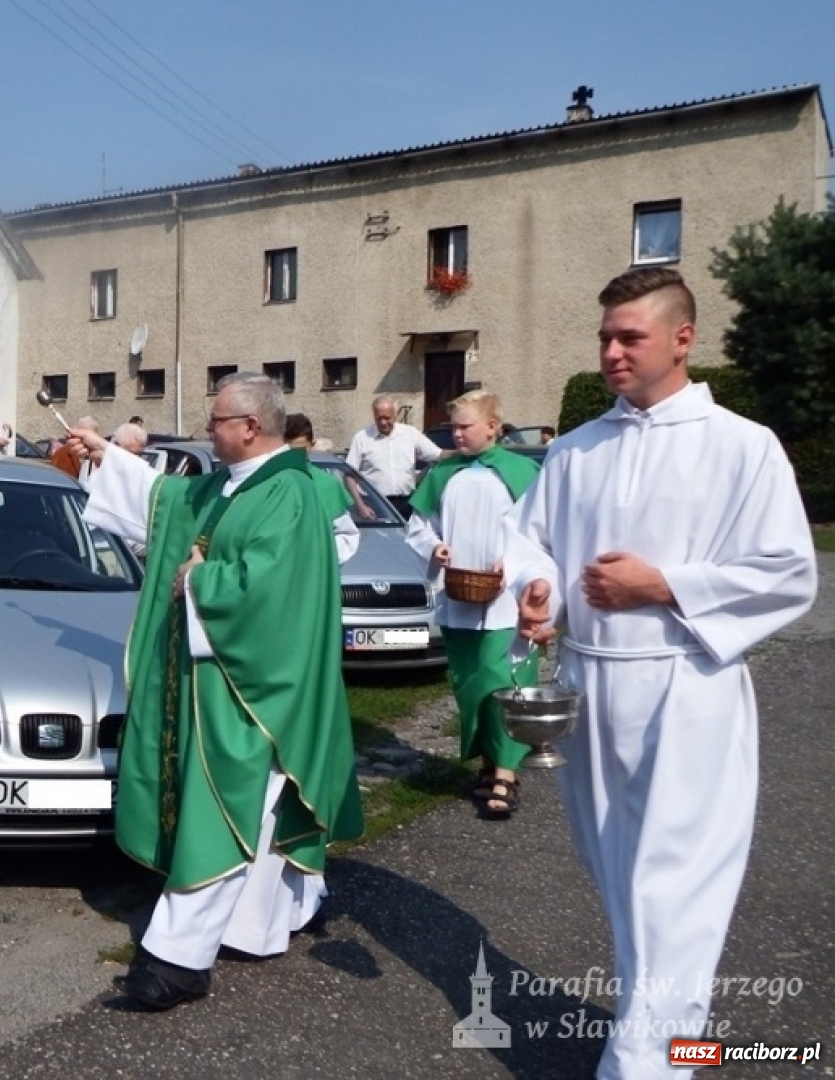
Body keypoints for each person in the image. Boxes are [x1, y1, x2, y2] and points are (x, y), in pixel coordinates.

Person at [507, 267, 816, 1078]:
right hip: (590, 686)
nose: (610, 351)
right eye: (604, 337)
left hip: (686, 683)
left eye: (628, 337)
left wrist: (665, 584)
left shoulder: (741, 446)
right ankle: (671, 1039)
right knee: (621, 878)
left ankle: (644, 1064)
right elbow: (530, 541)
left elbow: (786, 570)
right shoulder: (574, 450)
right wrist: (537, 590)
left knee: (673, 888)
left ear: (682, 338)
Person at [69, 372, 362, 1011]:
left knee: (224, 809)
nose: (208, 429)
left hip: (258, 688)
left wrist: (201, 583)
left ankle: (178, 962)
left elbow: (271, 586)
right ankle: (272, 919)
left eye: (217, 420)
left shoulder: (291, 491)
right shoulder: (237, 484)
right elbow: (172, 499)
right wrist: (107, 457)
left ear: (251, 427)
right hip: (221, 676)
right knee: (257, 817)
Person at [405, 390, 540, 820]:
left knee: (505, 683)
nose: (457, 434)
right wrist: (435, 546)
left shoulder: (522, 472)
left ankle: (506, 771)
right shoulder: (443, 473)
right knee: (472, 687)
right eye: (454, 428)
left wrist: (515, 560)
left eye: (465, 427)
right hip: (460, 597)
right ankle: (487, 763)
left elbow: (541, 530)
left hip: (507, 601)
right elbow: (418, 526)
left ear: (493, 426)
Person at [344, 395, 443, 518]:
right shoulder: (362, 438)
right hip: (375, 504)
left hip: (406, 503)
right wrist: (360, 505)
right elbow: (349, 476)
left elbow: (438, 455)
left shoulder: (410, 434)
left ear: (395, 415)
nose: (383, 422)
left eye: (387, 418)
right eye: (378, 418)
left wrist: (462, 453)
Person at [284, 413, 359, 564]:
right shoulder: (266, 481)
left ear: (312, 446)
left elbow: (346, 535)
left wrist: (319, 556)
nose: (295, 456)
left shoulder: (327, 484)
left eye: (301, 450)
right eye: (289, 451)